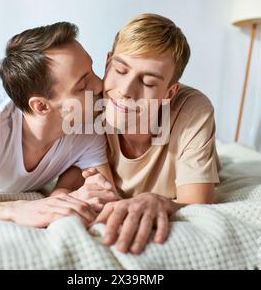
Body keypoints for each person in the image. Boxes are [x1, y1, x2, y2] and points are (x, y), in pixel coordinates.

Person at [0, 22, 120, 228]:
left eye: (92, 71)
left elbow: (105, 194)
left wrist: (70, 195)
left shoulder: (89, 126)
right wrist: (15, 209)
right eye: (83, 85)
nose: (99, 85)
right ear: (41, 106)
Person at [84, 14, 222, 255]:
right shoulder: (85, 106)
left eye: (147, 83)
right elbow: (65, 188)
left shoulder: (193, 110)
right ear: (107, 63)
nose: (126, 90)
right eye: (119, 69)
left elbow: (198, 203)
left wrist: (160, 201)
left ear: (169, 93)